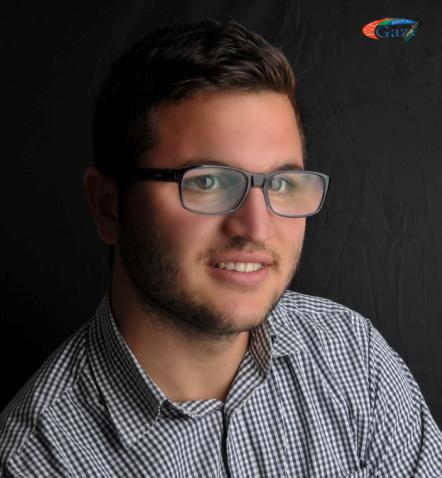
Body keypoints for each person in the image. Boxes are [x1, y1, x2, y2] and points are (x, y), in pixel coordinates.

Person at [0, 19, 441, 477]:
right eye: (208, 182)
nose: (256, 228)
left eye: (282, 183)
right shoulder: (36, 462)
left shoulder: (353, 357)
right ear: (108, 208)